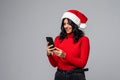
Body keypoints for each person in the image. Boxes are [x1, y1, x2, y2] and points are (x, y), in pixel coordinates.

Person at [46, 9, 90, 80]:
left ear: (74, 24)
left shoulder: (84, 40)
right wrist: (49, 54)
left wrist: (65, 55)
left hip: (76, 76)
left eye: (68, 23)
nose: (66, 26)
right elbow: (55, 64)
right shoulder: (58, 39)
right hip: (60, 75)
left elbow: (82, 63)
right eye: (64, 24)